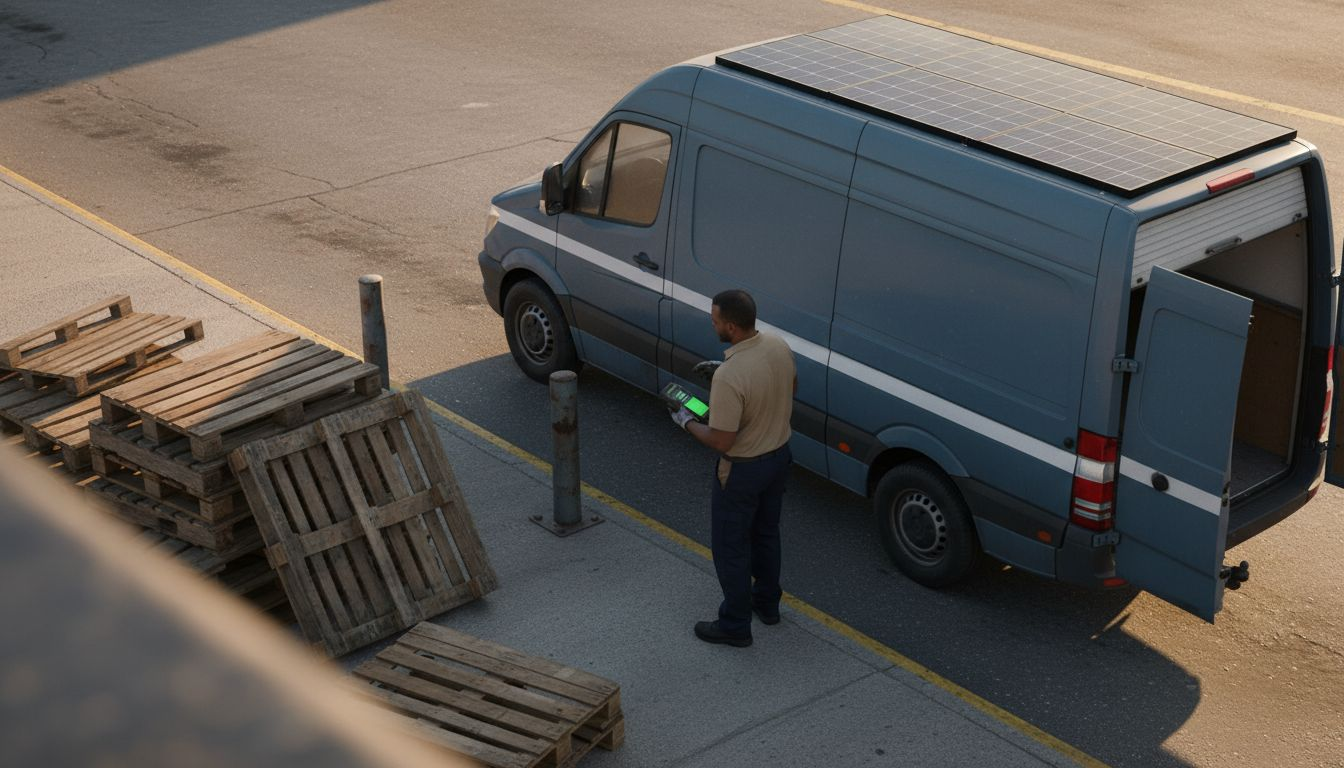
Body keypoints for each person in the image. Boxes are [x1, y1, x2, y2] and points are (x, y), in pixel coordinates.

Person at [670, 289, 796, 647]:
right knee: (766, 534)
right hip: (779, 459)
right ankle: (767, 605)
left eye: (715, 321)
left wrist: (685, 421)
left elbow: (722, 440)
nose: (712, 324)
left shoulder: (731, 376)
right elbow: (791, 386)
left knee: (731, 546)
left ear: (731, 326)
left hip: (743, 471)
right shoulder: (776, 344)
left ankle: (735, 625)